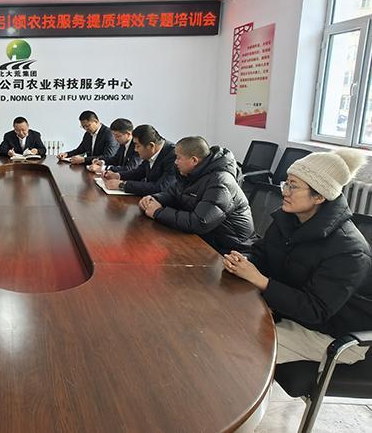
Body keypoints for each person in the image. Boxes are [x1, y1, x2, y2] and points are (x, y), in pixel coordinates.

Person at [223, 148, 372, 364]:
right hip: (288, 312)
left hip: (332, 334)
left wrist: (260, 280)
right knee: (220, 319)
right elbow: (261, 254)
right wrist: (243, 262)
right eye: (286, 183)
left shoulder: (349, 250)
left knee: (236, 348)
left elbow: (316, 310)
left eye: (293, 186)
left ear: (320, 196)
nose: (284, 191)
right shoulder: (289, 219)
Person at [138, 136, 256, 254]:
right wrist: (155, 198)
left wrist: (158, 212)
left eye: (178, 158)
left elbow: (200, 222)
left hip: (232, 250)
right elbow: (173, 194)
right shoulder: (190, 173)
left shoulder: (221, 182)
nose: (175, 162)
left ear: (194, 160)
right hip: (206, 241)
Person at [103, 124, 177, 196]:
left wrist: (122, 185)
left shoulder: (173, 156)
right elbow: (139, 172)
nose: (135, 149)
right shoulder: (150, 152)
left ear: (151, 146)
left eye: (137, 146)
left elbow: (160, 187)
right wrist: (118, 175)